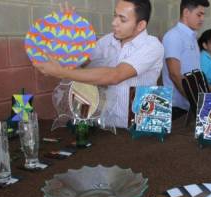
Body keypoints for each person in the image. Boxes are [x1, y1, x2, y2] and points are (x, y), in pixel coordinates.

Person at [34, 0, 164, 129]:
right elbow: (79, 64)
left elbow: (115, 75)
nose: (114, 23)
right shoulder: (108, 40)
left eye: (122, 20)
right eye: (115, 15)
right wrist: (70, 35)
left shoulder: (152, 46)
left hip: (140, 127)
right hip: (105, 126)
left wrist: (61, 72)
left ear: (140, 25)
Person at [161, 0, 210, 120]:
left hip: (191, 105)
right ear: (186, 12)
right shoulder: (173, 36)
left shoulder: (191, 37)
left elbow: (195, 71)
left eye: (203, 15)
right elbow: (174, 74)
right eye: (199, 15)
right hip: (177, 108)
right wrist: (195, 102)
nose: (202, 19)